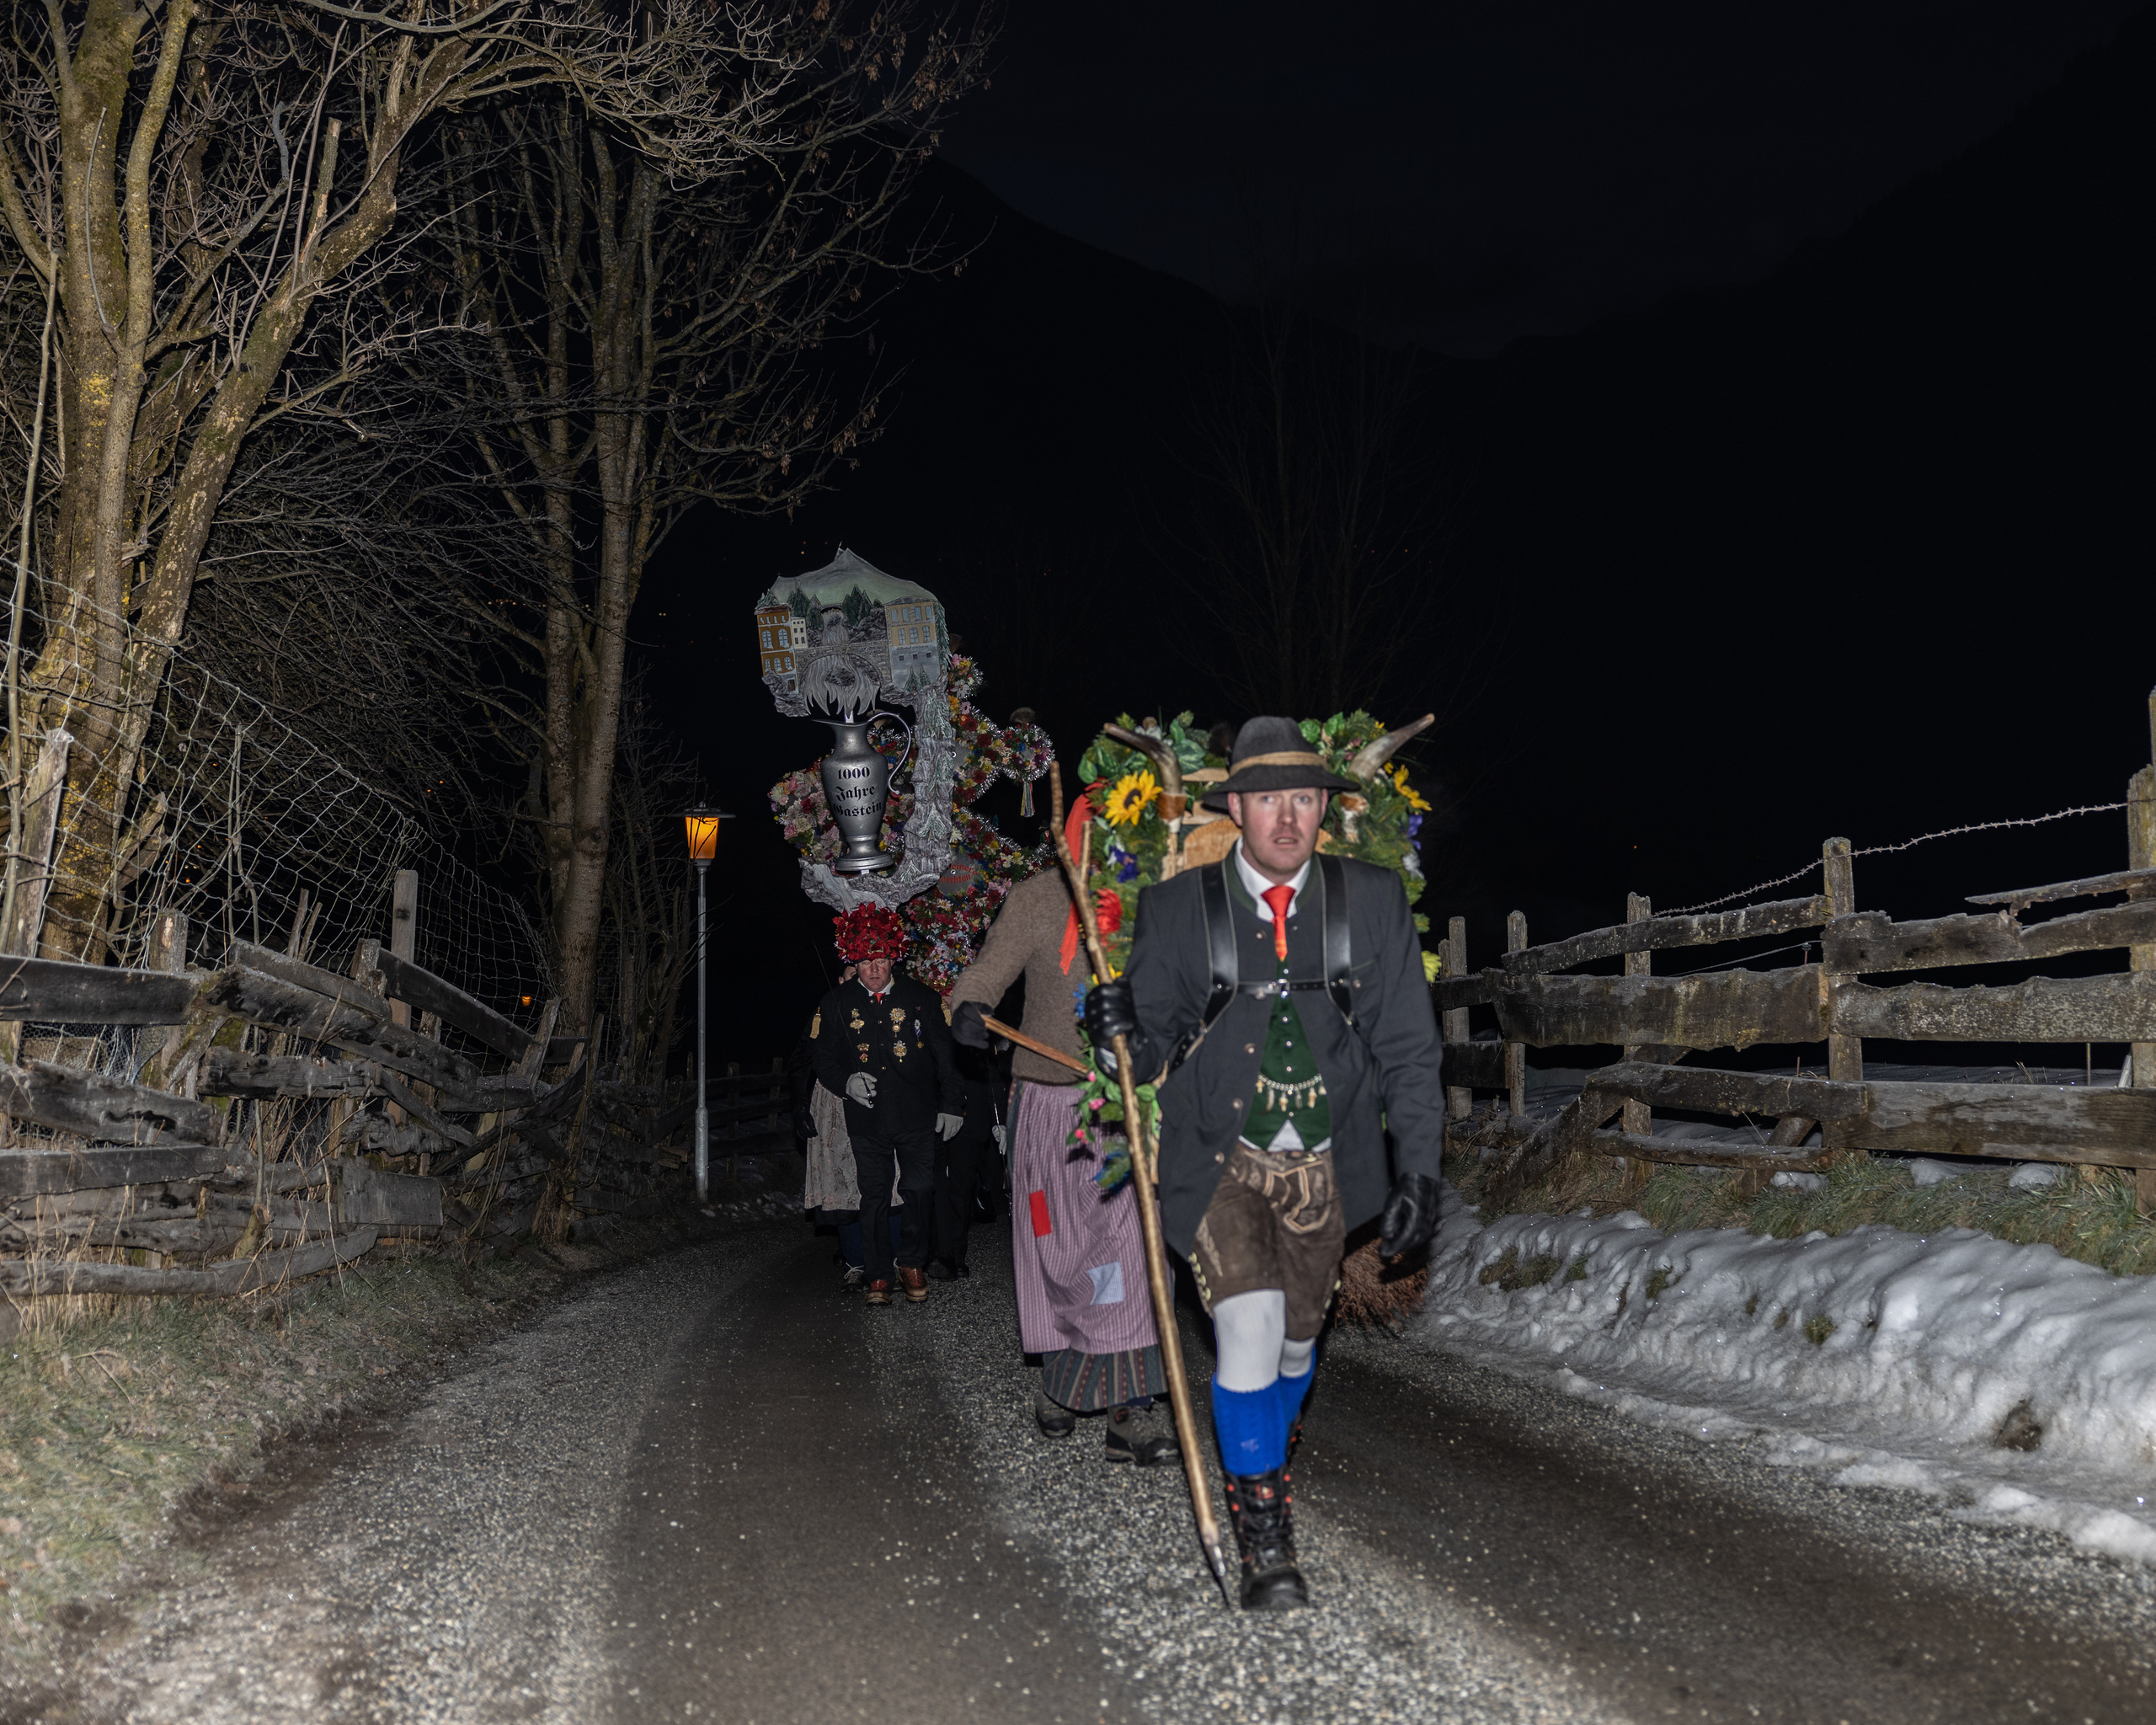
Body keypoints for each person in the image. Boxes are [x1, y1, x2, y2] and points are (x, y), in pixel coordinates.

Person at [1085, 716, 1446, 1610]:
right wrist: (1118, 1033)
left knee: (1293, 1344)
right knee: (1244, 1325)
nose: (1285, 816)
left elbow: (1408, 1046)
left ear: (1324, 804)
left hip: (1332, 1165)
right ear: (1235, 806)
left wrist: (1419, 1172)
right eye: (1266, 798)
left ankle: (1260, 1453)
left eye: (1303, 796)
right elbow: (1154, 1041)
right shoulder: (1179, 908)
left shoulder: (1370, 900)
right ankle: (1264, 1543)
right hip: (1218, 1160)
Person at [948, 802, 1180, 1467]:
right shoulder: (1036, 898)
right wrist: (971, 1004)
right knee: (1060, 1248)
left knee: (1131, 1250)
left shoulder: (1149, 906)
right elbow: (989, 970)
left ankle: (1130, 1411)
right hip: (1049, 1107)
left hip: (1126, 1106)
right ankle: (1061, 1377)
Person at [809, 905, 964, 1306]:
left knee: (918, 1188)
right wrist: (845, 1082)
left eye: (880, 960)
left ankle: (912, 1261)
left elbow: (946, 1057)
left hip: (916, 1114)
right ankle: (878, 1274)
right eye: (864, 962)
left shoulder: (921, 997)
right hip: (867, 1118)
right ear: (853, 961)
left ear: (892, 957)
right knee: (873, 1196)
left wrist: (952, 1104)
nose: (873, 969)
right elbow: (822, 1057)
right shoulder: (836, 1001)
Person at [928, 1038, 1006, 1280]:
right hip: (932, 1114)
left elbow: (991, 1073)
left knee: (961, 1189)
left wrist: (999, 1119)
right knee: (932, 1188)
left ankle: (956, 1256)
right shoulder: (926, 1012)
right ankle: (939, 1253)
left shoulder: (971, 1020)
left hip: (972, 1117)